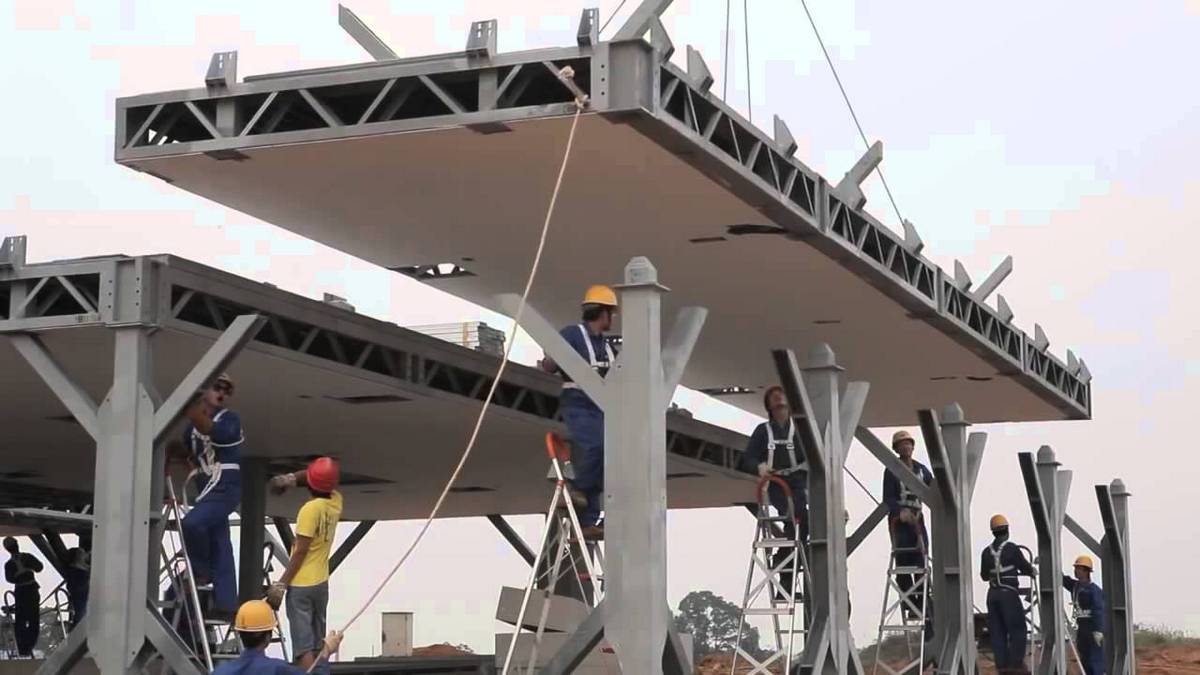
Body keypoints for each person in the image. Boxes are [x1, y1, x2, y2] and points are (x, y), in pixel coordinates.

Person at [538, 285, 618, 541]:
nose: (612, 318)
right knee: (594, 446)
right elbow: (550, 365)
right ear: (602, 313)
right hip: (578, 403)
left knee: (605, 458)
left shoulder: (606, 346)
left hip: (601, 407)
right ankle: (574, 490)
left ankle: (587, 521)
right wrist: (548, 362)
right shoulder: (573, 334)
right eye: (611, 313)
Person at [172, 372, 243, 620]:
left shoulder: (230, 420)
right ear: (206, 389)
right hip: (206, 487)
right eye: (217, 387)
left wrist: (189, 406)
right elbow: (187, 451)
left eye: (227, 390)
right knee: (221, 542)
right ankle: (227, 603)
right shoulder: (191, 429)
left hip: (225, 486)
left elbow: (213, 431)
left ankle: (201, 570)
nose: (222, 393)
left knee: (192, 523)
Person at [268, 458, 344, 675]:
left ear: (310, 485)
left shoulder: (309, 510)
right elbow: (319, 480)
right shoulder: (336, 502)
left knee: (303, 647)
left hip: (300, 584)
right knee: (318, 643)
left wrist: (282, 584)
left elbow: (300, 551)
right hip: (321, 583)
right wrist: (290, 479)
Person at [744, 385, 808, 598]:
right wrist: (760, 467)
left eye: (782, 395)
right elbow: (748, 457)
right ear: (769, 405)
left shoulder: (799, 429)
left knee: (799, 525)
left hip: (797, 482)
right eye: (774, 397)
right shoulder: (764, 431)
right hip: (777, 484)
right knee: (796, 521)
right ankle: (785, 571)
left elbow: (813, 454)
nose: (779, 398)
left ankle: (783, 566)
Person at [881, 429, 933, 628]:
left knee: (921, 561)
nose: (906, 447)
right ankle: (910, 603)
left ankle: (923, 603)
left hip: (917, 521)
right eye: (902, 444)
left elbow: (933, 487)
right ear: (896, 448)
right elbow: (888, 498)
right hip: (900, 523)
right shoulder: (892, 469)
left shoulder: (921, 469)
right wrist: (900, 512)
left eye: (908, 444)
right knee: (903, 564)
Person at [213, 600, 343, 675]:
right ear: (268, 638)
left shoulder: (220, 672)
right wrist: (325, 653)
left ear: (240, 634)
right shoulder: (278, 669)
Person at [980, 514, 1035, 674]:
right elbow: (1025, 567)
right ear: (1007, 530)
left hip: (992, 596)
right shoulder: (1012, 548)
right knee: (1017, 629)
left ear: (993, 532)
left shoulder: (985, 552)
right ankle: (1015, 666)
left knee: (997, 632)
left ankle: (1002, 665)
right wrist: (1032, 571)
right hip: (1008, 595)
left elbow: (984, 576)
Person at [1063, 555, 1105, 675]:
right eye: (1076, 568)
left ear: (1086, 571)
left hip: (1092, 628)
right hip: (1081, 627)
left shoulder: (1094, 590)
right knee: (1084, 659)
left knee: (1094, 659)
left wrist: (1098, 630)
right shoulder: (1075, 586)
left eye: (1079, 569)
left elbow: (1099, 610)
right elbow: (1063, 579)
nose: (1076, 571)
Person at [3, 537, 43, 657]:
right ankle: (26, 647)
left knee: (23, 620)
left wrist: (19, 574)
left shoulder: (10, 564)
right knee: (31, 619)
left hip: (22, 590)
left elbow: (10, 578)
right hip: (29, 589)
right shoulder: (26, 558)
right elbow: (39, 567)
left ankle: (24, 648)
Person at [63, 533, 92, 629]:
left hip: (77, 583)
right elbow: (81, 565)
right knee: (81, 611)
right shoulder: (80, 554)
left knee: (80, 611)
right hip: (80, 581)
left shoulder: (76, 553)